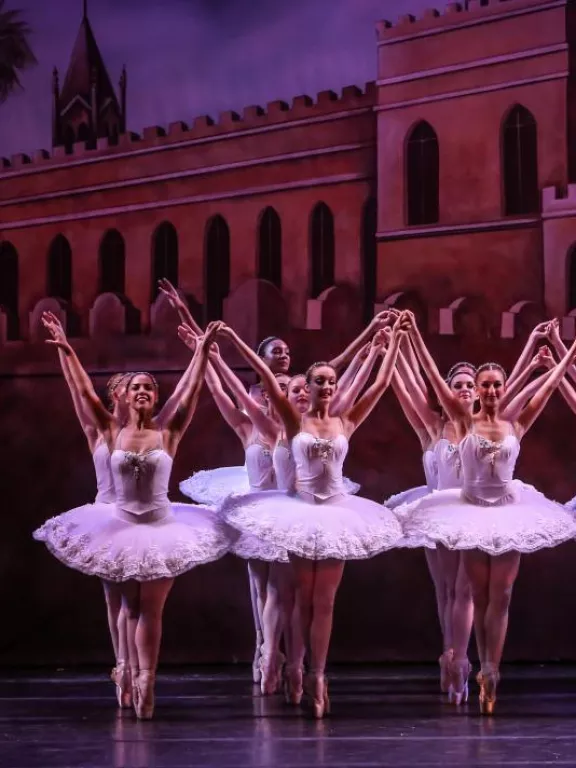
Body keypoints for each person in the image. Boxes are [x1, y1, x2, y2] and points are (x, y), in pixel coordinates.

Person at [34, 318, 232, 719]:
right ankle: (126, 667)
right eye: (136, 387)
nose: (142, 391)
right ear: (125, 396)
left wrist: (200, 352)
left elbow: (188, 393)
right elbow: (85, 395)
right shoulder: (109, 432)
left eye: (149, 387)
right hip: (119, 525)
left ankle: (147, 679)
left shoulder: (170, 430)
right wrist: (66, 349)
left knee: (150, 609)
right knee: (127, 606)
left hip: (162, 526)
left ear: (155, 397)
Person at [218, 315, 408, 718]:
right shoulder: (290, 420)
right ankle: (290, 665)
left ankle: (317, 675)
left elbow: (379, 382)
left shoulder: (346, 420)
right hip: (299, 513)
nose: (324, 386)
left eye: (329, 381)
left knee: (324, 601)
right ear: (308, 385)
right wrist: (234, 338)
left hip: (337, 512)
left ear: (335, 388)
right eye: (317, 380)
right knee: (296, 599)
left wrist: (389, 345)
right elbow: (267, 383)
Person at [397, 312, 576, 714]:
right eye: (485, 385)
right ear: (476, 391)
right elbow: (432, 377)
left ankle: (492, 669)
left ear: (502, 388)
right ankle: (461, 661)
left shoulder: (517, 423)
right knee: (470, 592)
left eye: (497, 384)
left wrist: (565, 353)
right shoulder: (463, 420)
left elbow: (548, 386)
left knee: (503, 594)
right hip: (471, 511)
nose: (491, 390)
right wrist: (410, 344)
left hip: (509, 511)